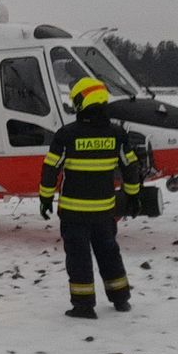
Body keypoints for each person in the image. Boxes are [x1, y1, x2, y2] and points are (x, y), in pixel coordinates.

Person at [39, 77, 141, 319]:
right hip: (105, 212)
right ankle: (121, 298)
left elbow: (50, 168)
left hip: (74, 213)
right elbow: (131, 166)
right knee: (109, 252)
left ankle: (84, 306)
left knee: (78, 258)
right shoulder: (117, 135)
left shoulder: (66, 135)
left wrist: (45, 198)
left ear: (81, 101)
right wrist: (133, 196)